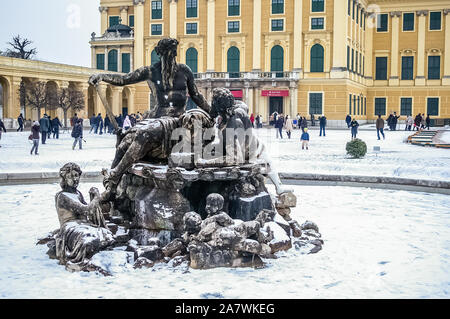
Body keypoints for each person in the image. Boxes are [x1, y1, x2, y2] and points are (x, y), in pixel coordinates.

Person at [88, 38, 210, 193]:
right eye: (168, 54)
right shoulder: (151, 71)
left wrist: (213, 112)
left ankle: (115, 173)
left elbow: (197, 95)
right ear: (161, 54)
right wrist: (102, 77)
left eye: (173, 53)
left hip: (176, 120)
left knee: (144, 134)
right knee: (124, 142)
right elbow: (125, 79)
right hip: (157, 118)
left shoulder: (184, 71)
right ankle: (111, 189)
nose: (171, 57)